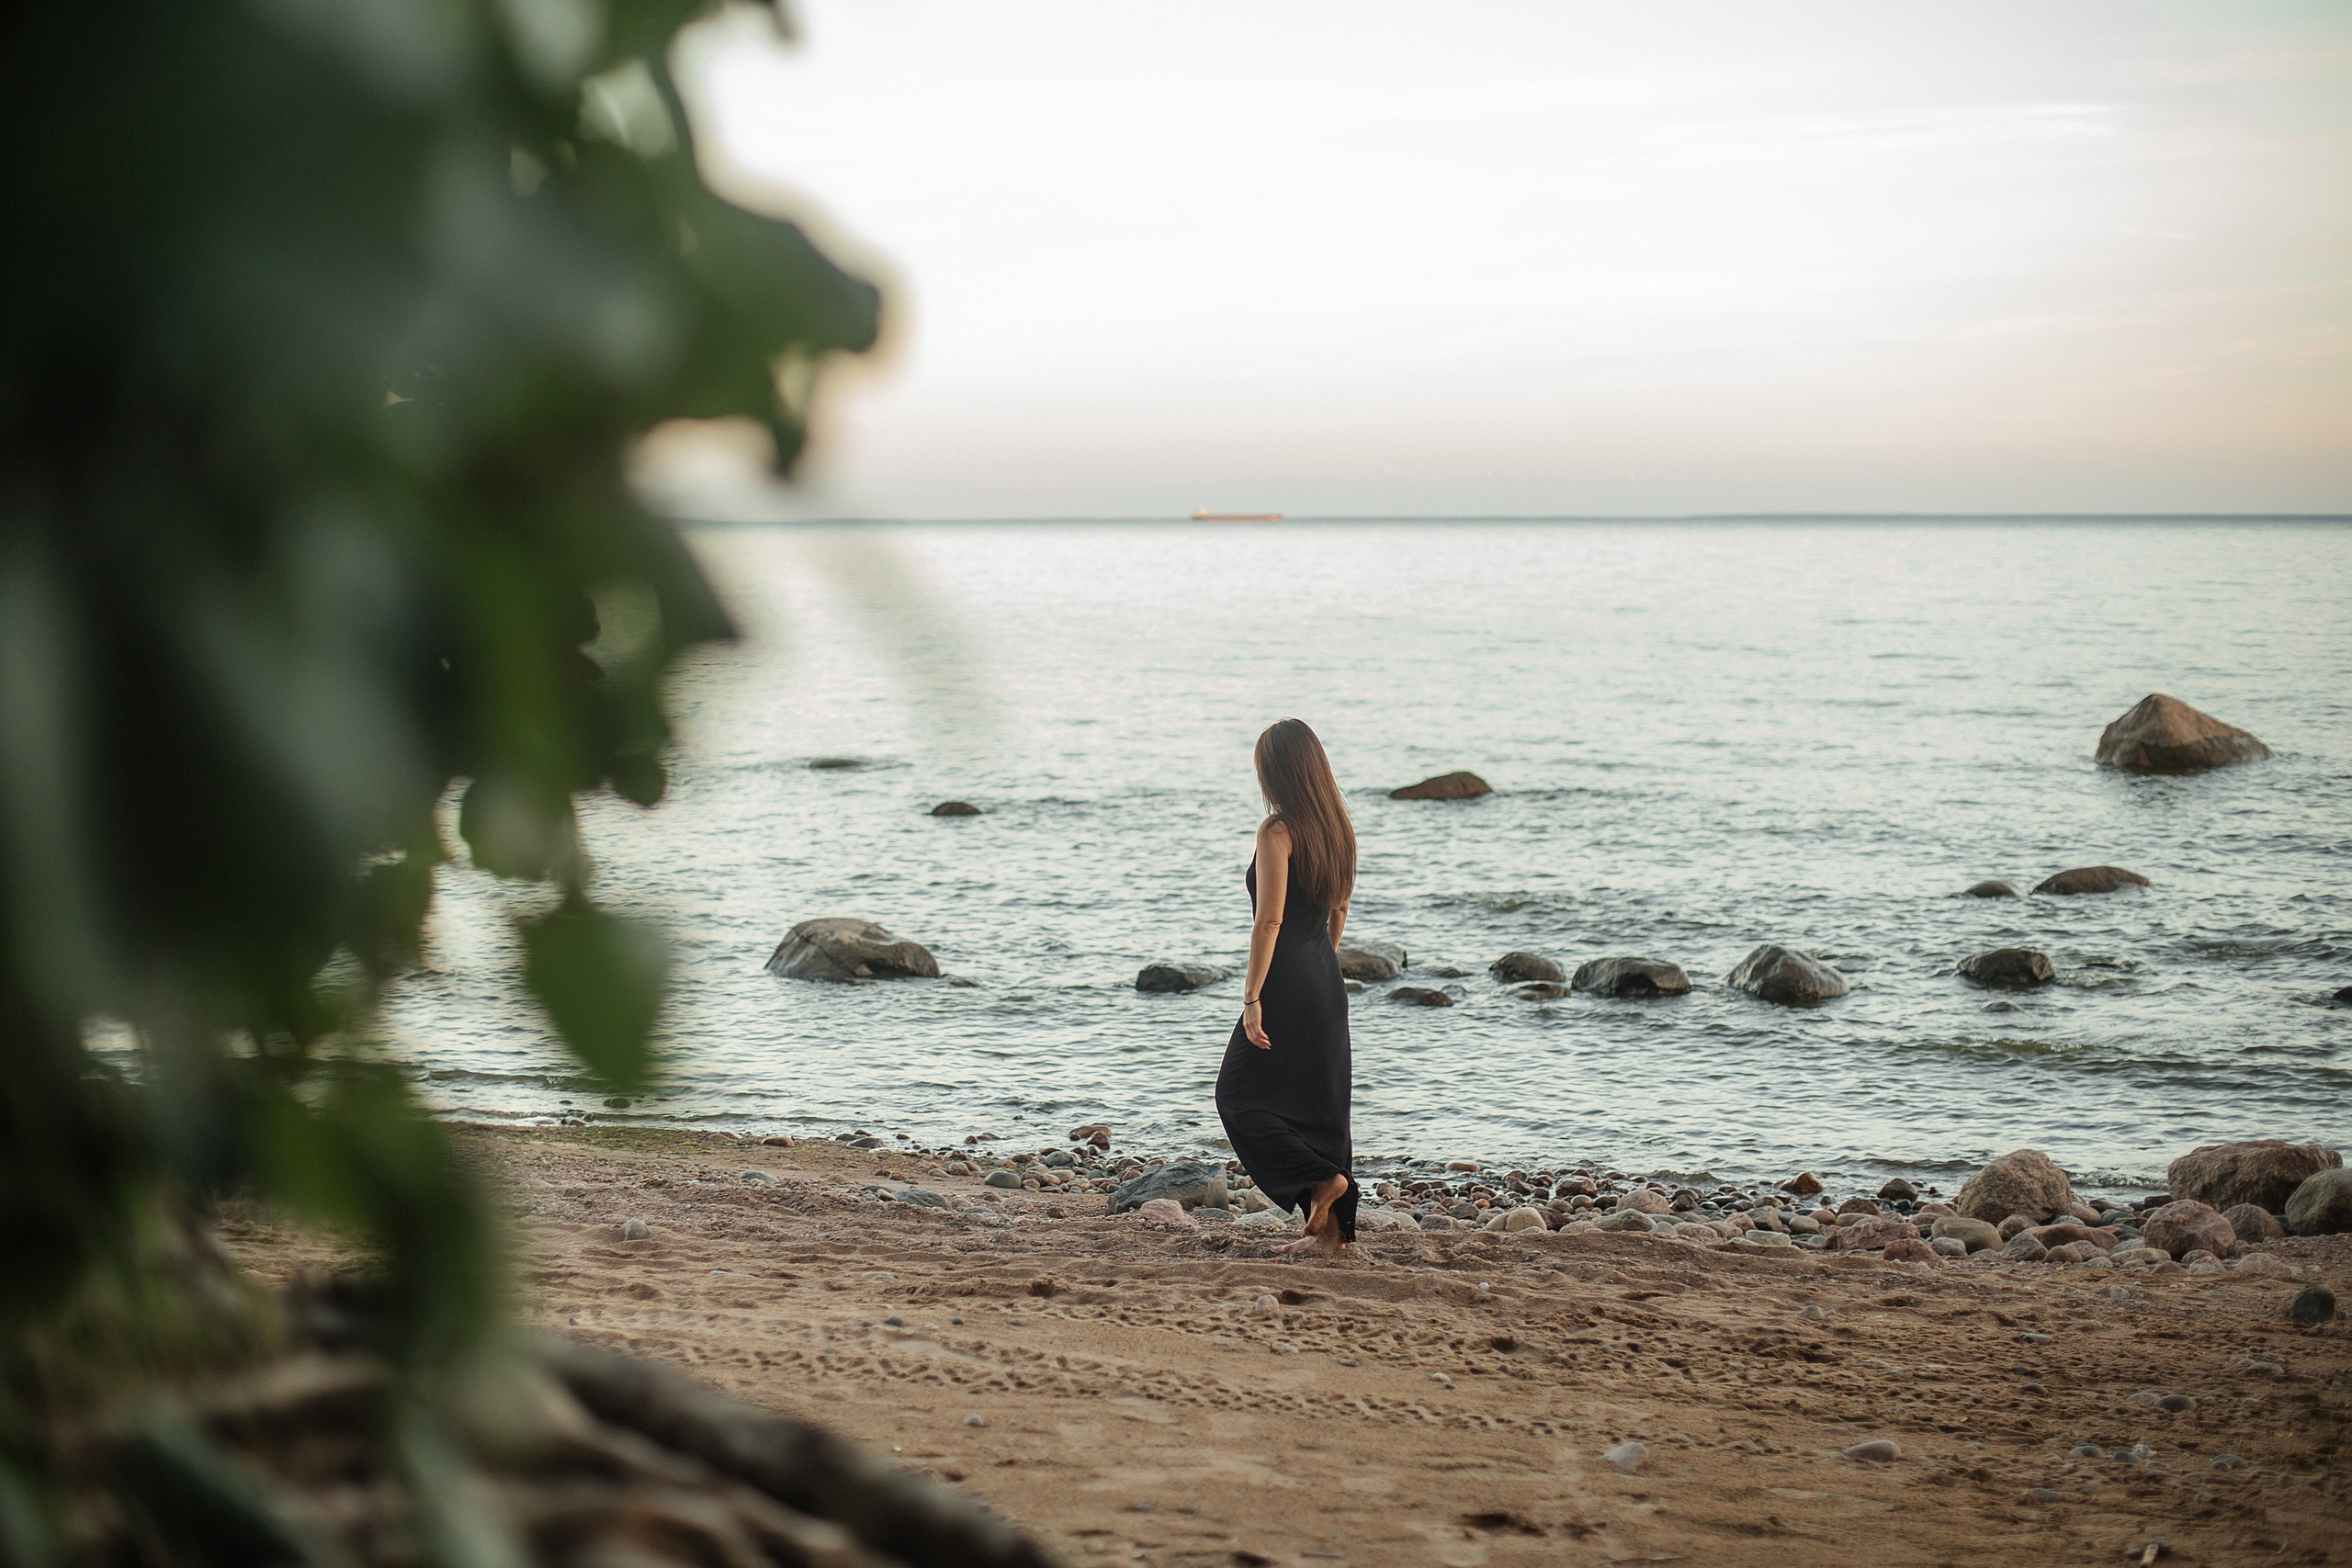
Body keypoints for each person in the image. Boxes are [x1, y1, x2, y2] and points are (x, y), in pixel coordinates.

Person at [1216, 718, 1358, 1257]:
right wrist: (1320, 966)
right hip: (1325, 977)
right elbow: (1338, 914)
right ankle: (1335, 1237)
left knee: (1237, 1095)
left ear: (1276, 772)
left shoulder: (1278, 831)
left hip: (1286, 981)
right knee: (1322, 1108)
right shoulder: (1337, 828)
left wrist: (1253, 998)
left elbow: (1268, 923)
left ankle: (1320, 1183)